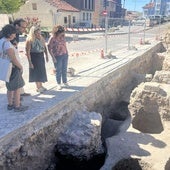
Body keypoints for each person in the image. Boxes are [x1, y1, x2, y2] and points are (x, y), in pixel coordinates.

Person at [0, 24, 28, 112]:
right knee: (17, 88)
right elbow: (13, 58)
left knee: (9, 87)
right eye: (13, 33)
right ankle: (17, 106)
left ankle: (10, 104)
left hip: (6, 68)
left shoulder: (2, 41)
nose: (15, 35)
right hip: (13, 68)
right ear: (9, 34)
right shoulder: (7, 44)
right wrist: (20, 66)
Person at [25, 26, 48, 93]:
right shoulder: (29, 40)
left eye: (39, 32)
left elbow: (44, 46)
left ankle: (41, 85)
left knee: (41, 71)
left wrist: (46, 55)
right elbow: (28, 52)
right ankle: (38, 87)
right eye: (37, 33)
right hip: (34, 57)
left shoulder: (41, 38)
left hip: (40, 56)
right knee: (36, 72)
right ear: (33, 33)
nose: (38, 34)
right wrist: (30, 62)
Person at [13, 18, 31, 97]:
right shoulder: (9, 33)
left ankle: (20, 92)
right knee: (14, 75)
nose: (24, 29)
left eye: (25, 27)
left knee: (19, 74)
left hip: (15, 55)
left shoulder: (16, 32)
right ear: (17, 25)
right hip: (10, 57)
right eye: (23, 27)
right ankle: (15, 97)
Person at [47, 25, 69, 90]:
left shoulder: (63, 37)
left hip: (65, 55)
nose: (63, 33)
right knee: (58, 70)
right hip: (57, 56)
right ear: (57, 32)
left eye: (63, 32)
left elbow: (64, 45)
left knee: (64, 69)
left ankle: (65, 82)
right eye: (61, 32)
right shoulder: (52, 38)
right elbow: (49, 48)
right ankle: (58, 84)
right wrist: (53, 58)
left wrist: (67, 53)